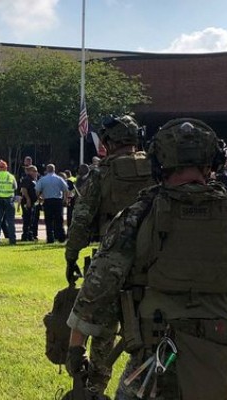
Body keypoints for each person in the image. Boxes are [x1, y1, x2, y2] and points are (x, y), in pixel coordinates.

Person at [65, 118, 227, 399]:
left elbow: (97, 289)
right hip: (219, 357)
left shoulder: (137, 216)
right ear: (213, 163)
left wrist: (75, 348)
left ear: (159, 163)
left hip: (155, 355)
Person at [63, 115, 154, 393]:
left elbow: (81, 219)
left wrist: (71, 255)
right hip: (155, 262)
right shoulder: (157, 169)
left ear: (108, 142)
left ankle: (95, 388)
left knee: (102, 329)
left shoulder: (101, 173)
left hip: (112, 260)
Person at [36, 164, 69, 243]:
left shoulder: (43, 179)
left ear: (47, 170)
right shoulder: (59, 179)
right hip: (58, 201)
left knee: (48, 220)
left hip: (47, 201)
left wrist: (39, 198)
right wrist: (65, 199)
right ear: (54, 170)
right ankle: (61, 237)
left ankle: (50, 238)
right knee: (59, 219)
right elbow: (66, 189)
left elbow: (37, 190)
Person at [0, 159, 17, 245]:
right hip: (9, 199)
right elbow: (15, 187)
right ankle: (12, 240)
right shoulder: (10, 176)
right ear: (6, 167)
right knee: (10, 221)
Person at [19, 165, 40, 241]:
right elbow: (24, 190)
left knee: (31, 219)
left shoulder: (34, 179)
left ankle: (30, 235)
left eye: (36, 171)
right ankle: (25, 236)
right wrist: (28, 199)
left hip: (33, 202)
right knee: (27, 219)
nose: (36, 173)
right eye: (34, 171)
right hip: (27, 202)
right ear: (30, 171)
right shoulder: (27, 179)